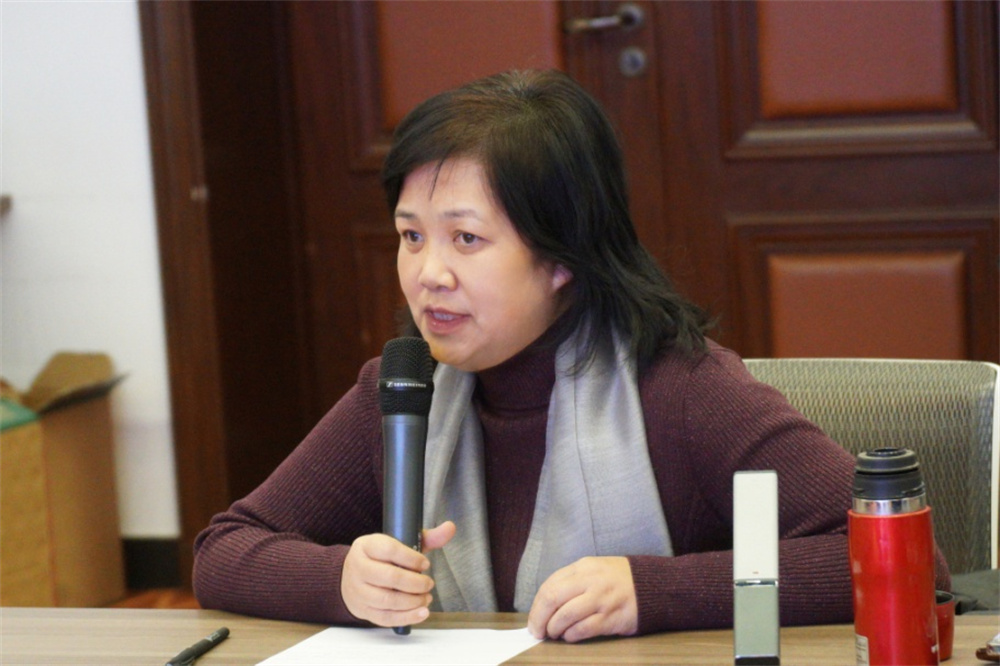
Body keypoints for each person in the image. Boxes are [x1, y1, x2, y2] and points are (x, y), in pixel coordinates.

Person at [192, 69, 949, 642]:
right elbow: (224, 550)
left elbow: (901, 565)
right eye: (411, 235)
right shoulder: (403, 388)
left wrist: (655, 591)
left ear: (562, 258)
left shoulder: (681, 387)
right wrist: (343, 579)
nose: (428, 274)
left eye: (466, 238)